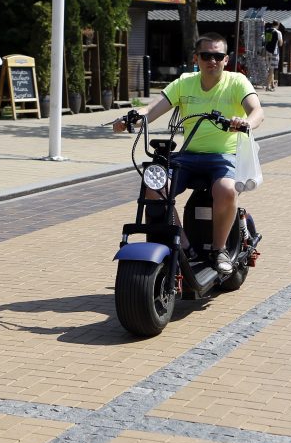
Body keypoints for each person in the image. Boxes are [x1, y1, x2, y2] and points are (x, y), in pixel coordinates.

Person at [113, 32, 264, 274]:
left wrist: (246, 122)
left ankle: (219, 249)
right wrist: (128, 119)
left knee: (226, 190)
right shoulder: (184, 82)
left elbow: (256, 111)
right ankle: (182, 243)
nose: (212, 60)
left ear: (226, 59)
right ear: (196, 58)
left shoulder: (237, 82)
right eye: (206, 55)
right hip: (189, 155)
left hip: (224, 156)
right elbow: (151, 111)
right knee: (154, 185)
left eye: (217, 56)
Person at [264, 21, 283, 91]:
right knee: (271, 70)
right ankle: (267, 86)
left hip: (267, 51)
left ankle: (272, 85)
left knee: (270, 69)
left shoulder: (267, 31)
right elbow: (281, 43)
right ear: (278, 25)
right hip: (274, 52)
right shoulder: (278, 32)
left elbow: (265, 41)